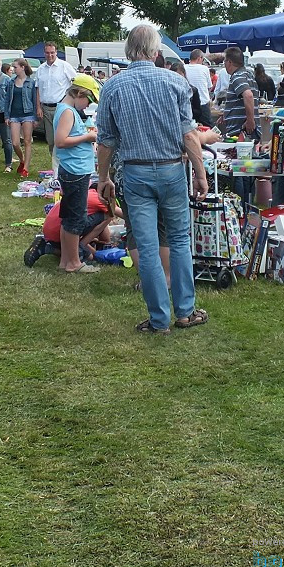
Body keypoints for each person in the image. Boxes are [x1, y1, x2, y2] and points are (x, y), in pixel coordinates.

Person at [96, 24, 210, 335]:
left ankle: (159, 319)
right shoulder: (176, 82)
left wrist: (102, 177)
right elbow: (189, 135)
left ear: (128, 52)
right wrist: (200, 173)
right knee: (179, 241)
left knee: (147, 247)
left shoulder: (112, 87)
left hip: (135, 171)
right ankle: (185, 312)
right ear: (156, 51)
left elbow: (106, 141)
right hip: (173, 169)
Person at [53, 73, 101, 273]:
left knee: (68, 216)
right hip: (76, 171)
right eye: (88, 100)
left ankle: (66, 260)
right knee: (76, 218)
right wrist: (87, 137)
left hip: (73, 169)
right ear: (79, 93)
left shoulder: (66, 110)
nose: (87, 105)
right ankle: (74, 262)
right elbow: (61, 141)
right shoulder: (68, 112)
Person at [33, 42, 77, 166]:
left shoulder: (65, 66)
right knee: (51, 140)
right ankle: (56, 166)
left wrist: (70, 102)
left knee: (63, 139)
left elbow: (75, 83)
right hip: (46, 108)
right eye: (47, 53)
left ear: (56, 52)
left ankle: (66, 164)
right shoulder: (41, 69)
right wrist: (38, 107)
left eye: (52, 52)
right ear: (44, 53)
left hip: (61, 108)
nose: (50, 55)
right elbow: (38, 89)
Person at [7, 58, 37, 177]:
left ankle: (26, 168)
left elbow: (34, 100)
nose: (13, 69)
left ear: (22, 67)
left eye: (15, 67)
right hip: (14, 114)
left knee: (27, 141)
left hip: (28, 114)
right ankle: (22, 159)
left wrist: (35, 117)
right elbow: (7, 100)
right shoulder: (11, 82)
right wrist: (6, 115)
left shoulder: (31, 82)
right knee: (15, 142)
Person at [221, 46, 258, 139]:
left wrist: (250, 120)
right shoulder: (248, 74)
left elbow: (248, 95)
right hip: (246, 130)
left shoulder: (237, 76)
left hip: (241, 131)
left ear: (230, 62)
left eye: (224, 61)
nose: (224, 64)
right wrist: (226, 114)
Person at [184, 49, 214, 127]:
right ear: (199, 58)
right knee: (208, 127)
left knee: (190, 128)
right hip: (203, 103)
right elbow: (209, 87)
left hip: (188, 104)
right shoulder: (204, 69)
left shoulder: (183, 68)